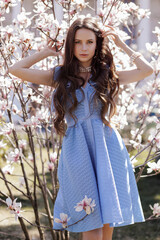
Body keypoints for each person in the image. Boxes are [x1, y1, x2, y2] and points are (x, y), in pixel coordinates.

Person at [8, 17, 153, 240]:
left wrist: (122, 45)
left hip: (108, 149)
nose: (83, 48)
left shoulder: (107, 75)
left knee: (106, 223)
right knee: (90, 221)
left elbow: (146, 70)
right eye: (77, 42)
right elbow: (15, 69)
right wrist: (46, 52)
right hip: (77, 152)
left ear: (98, 44)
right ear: (70, 44)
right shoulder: (60, 75)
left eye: (89, 42)